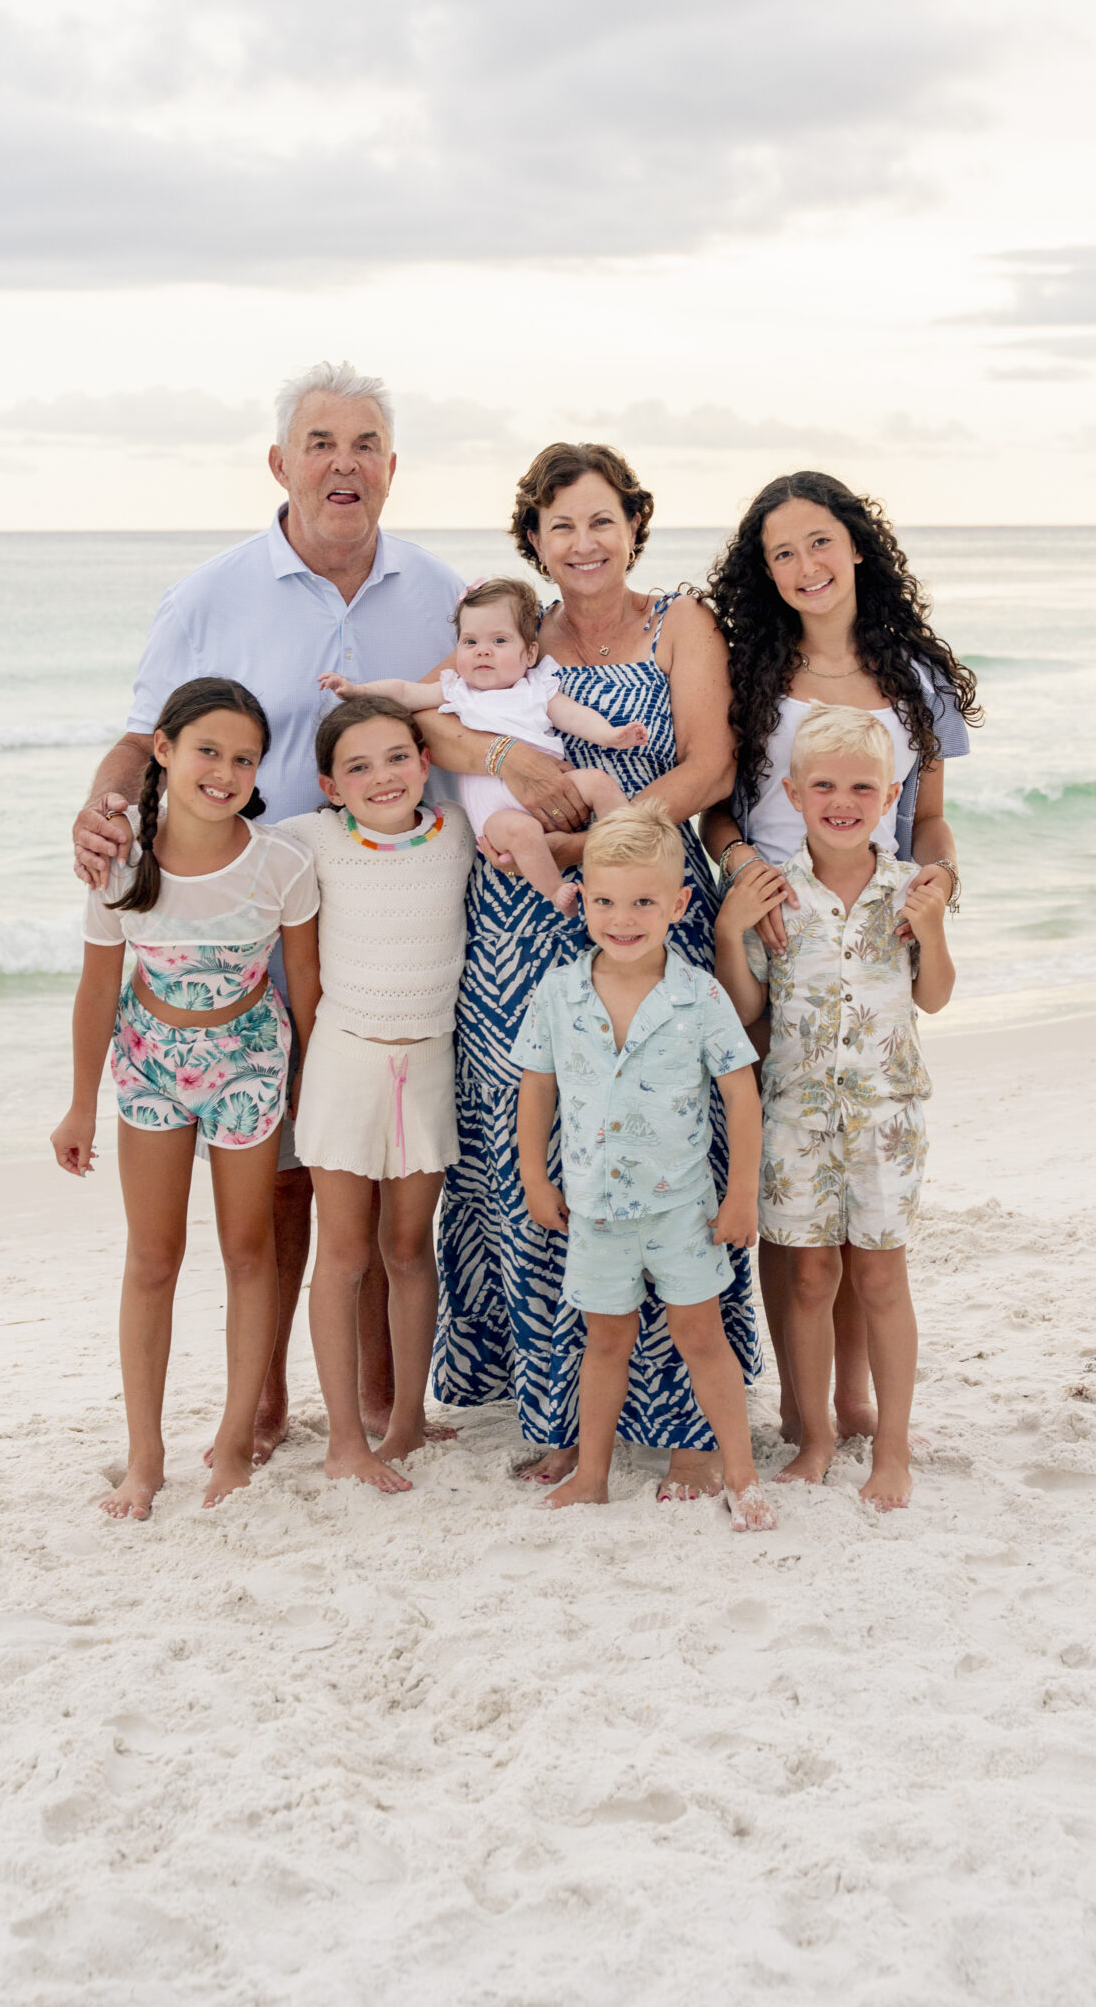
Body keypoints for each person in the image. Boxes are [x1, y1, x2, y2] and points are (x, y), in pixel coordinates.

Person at [68, 362, 577, 1458]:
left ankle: (386, 1404)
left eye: (364, 445)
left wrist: (505, 763)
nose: (342, 463)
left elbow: (466, 716)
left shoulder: (439, 588)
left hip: (395, 903)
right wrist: (103, 810)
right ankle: (262, 1398)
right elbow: (140, 731)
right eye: (320, 442)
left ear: (392, 469)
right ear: (280, 462)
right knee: (287, 1163)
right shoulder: (209, 592)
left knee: (371, 1160)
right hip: (260, 902)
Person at [432, 441, 762, 1502]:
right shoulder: (512, 637)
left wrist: (605, 839)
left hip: (651, 903)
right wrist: (508, 763)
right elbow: (429, 717)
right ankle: (562, 1414)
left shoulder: (681, 623)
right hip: (522, 925)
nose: (583, 542)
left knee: (670, 1146)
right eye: (560, 524)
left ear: (635, 525)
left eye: (602, 520)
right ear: (532, 537)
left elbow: (710, 763)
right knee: (536, 1151)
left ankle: (688, 1425)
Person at [702, 472, 979, 1457]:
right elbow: (719, 804)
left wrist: (938, 886)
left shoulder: (914, 674)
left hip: (867, 927)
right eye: (783, 552)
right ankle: (805, 1405)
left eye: (820, 542)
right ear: (765, 571)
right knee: (794, 1187)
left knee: (861, 1183)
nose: (806, 566)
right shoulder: (751, 672)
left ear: (857, 546)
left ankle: (857, 1397)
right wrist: (740, 873)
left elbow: (930, 814)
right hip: (772, 933)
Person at [50, 678, 318, 1519]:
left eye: (244, 758)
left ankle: (235, 1444)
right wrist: (79, 1105)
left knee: (248, 1252)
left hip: (247, 1065)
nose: (225, 770)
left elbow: (305, 990)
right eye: (208, 750)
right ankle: (145, 1457)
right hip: (149, 1067)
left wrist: (307, 1088)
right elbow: (97, 992)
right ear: (161, 750)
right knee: (153, 1258)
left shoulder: (281, 863)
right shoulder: (120, 862)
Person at [714, 705, 955, 1510]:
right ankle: (814, 1436)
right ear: (791, 792)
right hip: (795, 1117)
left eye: (860, 786)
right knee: (809, 1276)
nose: (841, 800)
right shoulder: (776, 894)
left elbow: (934, 997)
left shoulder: (907, 890)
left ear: (889, 795)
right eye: (822, 785)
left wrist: (935, 933)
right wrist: (727, 933)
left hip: (886, 1118)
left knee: (881, 1278)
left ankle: (891, 1449)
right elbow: (746, 1006)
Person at [516, 805, 777, 1531]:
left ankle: (742, 1474)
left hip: (682, 1209)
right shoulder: (558, 994)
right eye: (603, 900)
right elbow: (535, 1085)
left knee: (700, 1336)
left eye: (640, 902)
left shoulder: (697, 996)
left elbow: (739, 1094)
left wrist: (741, 1195)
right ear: (584, 899)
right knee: (605, 1342)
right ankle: (592, 1476)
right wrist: (535, 1178)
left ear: (677, 905)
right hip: (594, 1206)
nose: (620, 918)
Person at [279, 697, 475, 1494]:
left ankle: (403, 1421)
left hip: (428, 1061)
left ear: (425, 762)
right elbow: (214, 843)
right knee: (346, 1252)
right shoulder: (311, 839)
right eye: (357, 767)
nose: (381, 777)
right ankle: (342, 1442)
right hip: (345, 1063)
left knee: (407, 1246)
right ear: (330, 785)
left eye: (396, 756)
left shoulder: (457, 830)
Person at [323, 574, 649, 913]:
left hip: (555, 780)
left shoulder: (537, 688)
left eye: (499, 640)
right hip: (495, 809)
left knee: (598, 782)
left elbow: (576, 717)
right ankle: (557, 892)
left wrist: (611, 735)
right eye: (470, 641)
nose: (483, 650)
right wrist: (357, 690)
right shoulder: (456, 691)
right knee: (523, 835)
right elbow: (404, 692)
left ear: (530, 653)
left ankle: (627, 852)